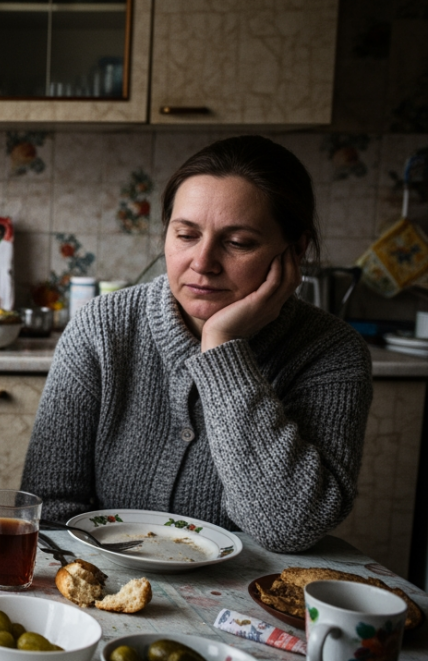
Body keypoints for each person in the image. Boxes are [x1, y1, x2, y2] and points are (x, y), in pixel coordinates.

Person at [20, 135, 372, 553]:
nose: (203, 263)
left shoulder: (333, 352)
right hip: (110, 589)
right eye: (186, 235)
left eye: (238, 242)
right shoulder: (102, 328)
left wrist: (222, 348)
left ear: (295, 250)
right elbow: (50, 512)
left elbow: (290, 527)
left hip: (249, 600)